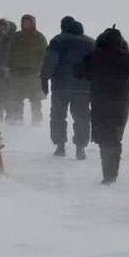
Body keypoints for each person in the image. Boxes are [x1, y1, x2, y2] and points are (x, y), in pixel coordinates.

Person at [75, 26, 129, 184]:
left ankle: (107, 174)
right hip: (121, 103)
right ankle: (112, 173)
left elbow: (79, 73)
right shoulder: (127, 57)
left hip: (100, 101)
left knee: (103, 138)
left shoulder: (93, 56)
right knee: (114, 138)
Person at [40, 16, 94, 159]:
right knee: (82, 117)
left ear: (63, 26)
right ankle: (80, 148)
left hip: (60, 86)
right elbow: (95, 64)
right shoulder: (90, 42)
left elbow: (50, 61)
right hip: (84, 88)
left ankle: (60, 146)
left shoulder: (58, 41)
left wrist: (44, 78)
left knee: (58, 116)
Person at [6, 14, 47, 124]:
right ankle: (18, 120)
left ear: (33, 23)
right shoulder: (17, 36)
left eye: (28, 22)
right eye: (24, 22)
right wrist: (8, 67)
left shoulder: (39, 37)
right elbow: (10, 53)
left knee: (35, 99)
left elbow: (43, 55)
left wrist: (40, 69)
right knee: (17, 99)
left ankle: (37, 122)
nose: (26, 24)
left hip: (33, 73)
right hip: (17, 72)